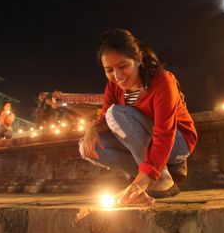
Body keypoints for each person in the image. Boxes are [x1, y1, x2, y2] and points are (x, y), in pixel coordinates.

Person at [79, 29, 197, 205]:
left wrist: (140, 182)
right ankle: (148, 179)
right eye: (109, 70)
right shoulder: (113, 86)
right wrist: (92, 129)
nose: (117, 76)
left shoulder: (162, 81)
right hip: (147, 144)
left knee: (116, 113)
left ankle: (157, 179)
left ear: (138, 59)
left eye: (123, 66)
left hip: (176, 142)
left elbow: (164, 133)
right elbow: (104, 117)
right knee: (86, 147)